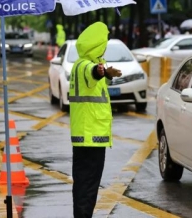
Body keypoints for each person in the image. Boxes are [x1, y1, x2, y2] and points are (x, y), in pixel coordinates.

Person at [68, 21, 122, 218]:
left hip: (85, 135)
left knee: (84, 183)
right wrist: (102, 72)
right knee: (88, 186)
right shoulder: (85, 66)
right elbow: (92, 74)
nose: (105, 46)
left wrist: (106, 74)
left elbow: (93, 82)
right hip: (90, 136)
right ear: (97, 45)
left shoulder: (79, 64)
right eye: (104, 43)